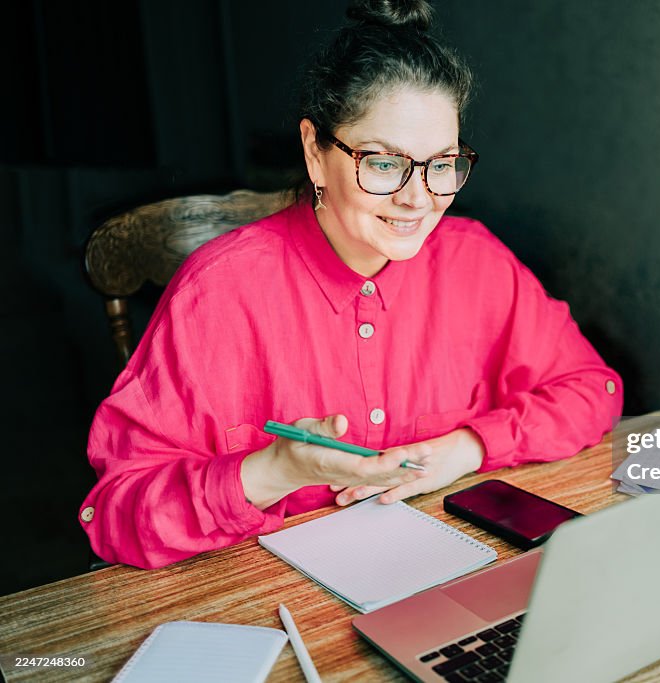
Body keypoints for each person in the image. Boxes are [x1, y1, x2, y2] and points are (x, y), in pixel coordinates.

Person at [80, 0, 622, 569]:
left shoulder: (477, 262)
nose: (420, 198)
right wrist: (275, 471)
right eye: (385, 163)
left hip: (442, 576)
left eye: (442, 163)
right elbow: (114, 515)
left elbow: (593, 391)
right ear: (316, 152)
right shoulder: (217, 293)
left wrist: (466, 448)